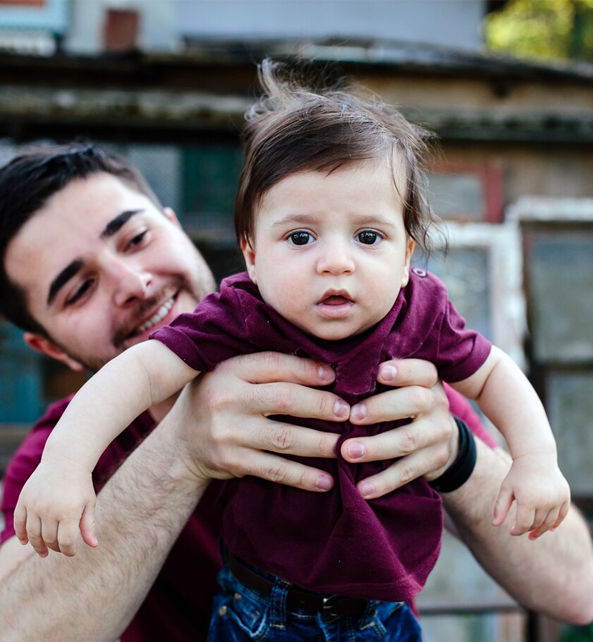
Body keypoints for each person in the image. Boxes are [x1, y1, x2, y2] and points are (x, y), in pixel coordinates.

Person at [10, 62, 572, 640]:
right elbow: (136, 372)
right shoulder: (244, 316)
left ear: (407, 255)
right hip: (262, 608)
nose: (336, 260)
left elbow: (497, 379)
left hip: (384, 607)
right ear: (251, 252)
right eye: (300, 237)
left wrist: (509, 458)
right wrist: (68, 466)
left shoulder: (409, 332)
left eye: (367, 236)